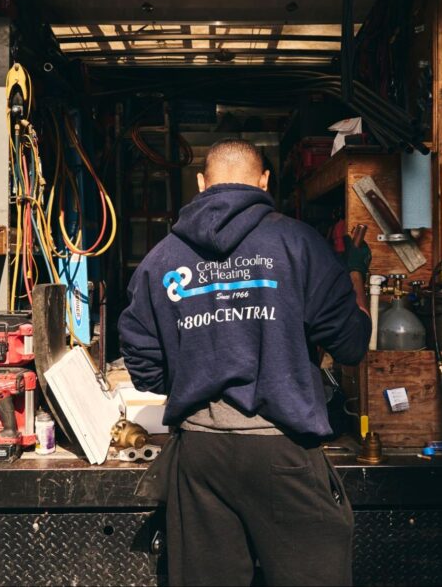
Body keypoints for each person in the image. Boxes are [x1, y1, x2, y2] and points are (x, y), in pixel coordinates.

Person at [119, 138, 372, 586]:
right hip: (283, 451)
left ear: (201, 183)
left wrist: (194, 370)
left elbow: (144, 366)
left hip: (200, 457)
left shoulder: (160, 260)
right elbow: (351, 345)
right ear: (264, 181)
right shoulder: (298, 243)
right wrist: (356, 277)